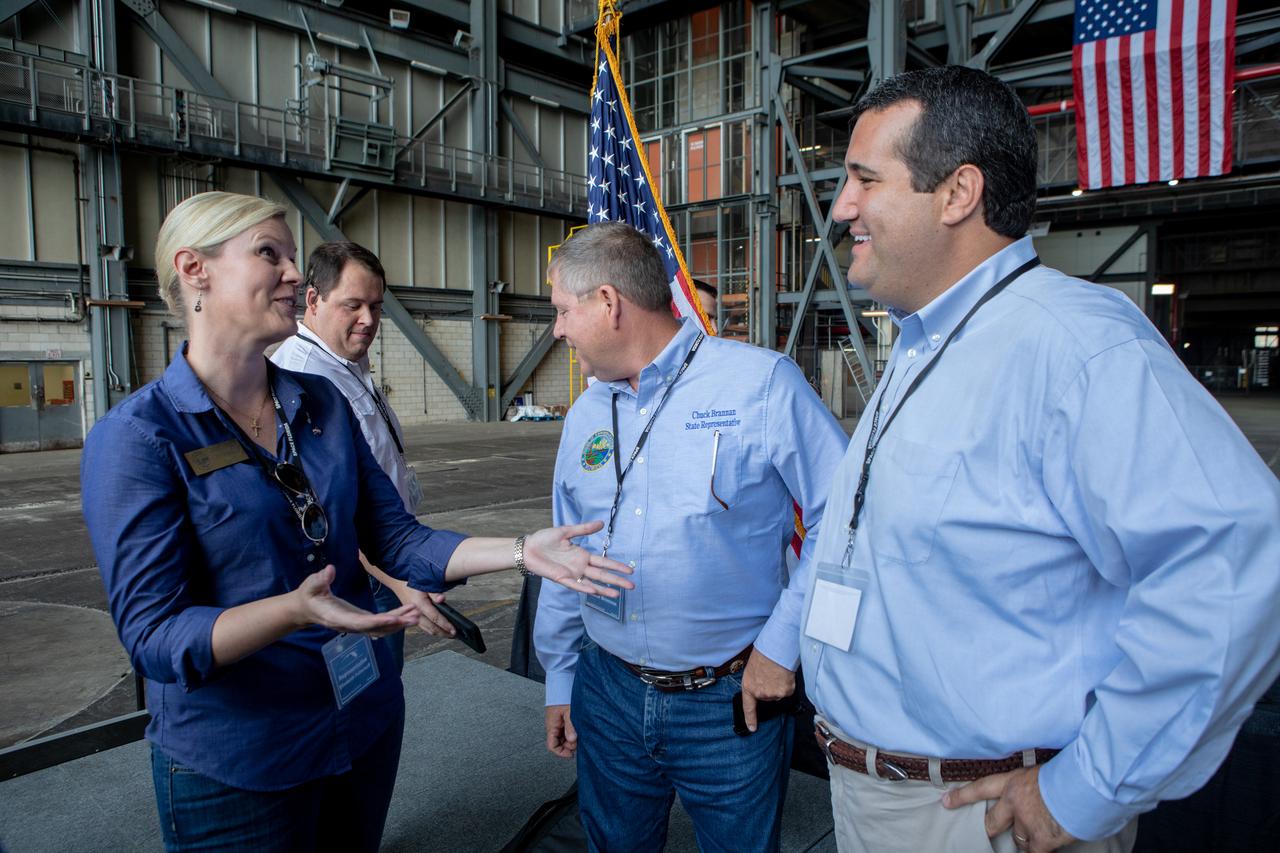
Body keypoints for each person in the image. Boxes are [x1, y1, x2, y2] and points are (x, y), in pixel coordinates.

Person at [769, 67, 1280, 853]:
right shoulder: (924, 344)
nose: (841, 207)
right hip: (875, 792)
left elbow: (1234, 564)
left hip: (983, 814)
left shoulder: (1075, 344)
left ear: (957, 193)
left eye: (865, 179)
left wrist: (1088, 788)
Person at [80, 191, 632, 853]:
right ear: (194, 269)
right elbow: (154, 635)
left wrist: (521, 550)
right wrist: (293, 610)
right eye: (269, 254)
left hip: (360, 718)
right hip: (242, 757)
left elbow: (396, 538)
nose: (293, 272)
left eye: (291, 255)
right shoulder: (139, 437)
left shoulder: (318, 402)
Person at [534, 221, 847, 852]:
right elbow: (566, 554)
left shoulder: (760, 385)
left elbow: (843, 523)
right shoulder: (587, 414)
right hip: (609, 692)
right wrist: (562, 677)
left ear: (608, 303)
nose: (558, 330)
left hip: (731, 701)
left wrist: (781, 649)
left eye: (563, 311)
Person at [271, 241, 444, 671]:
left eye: (376, 306)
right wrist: (400, 582)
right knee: (362, 696)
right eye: (353, 305)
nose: (368, 320)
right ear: (313, 299)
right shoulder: (303, 376)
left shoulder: (347, 361)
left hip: (387, 554)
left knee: (379, 694)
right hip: (358, 572)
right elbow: (330, 512)